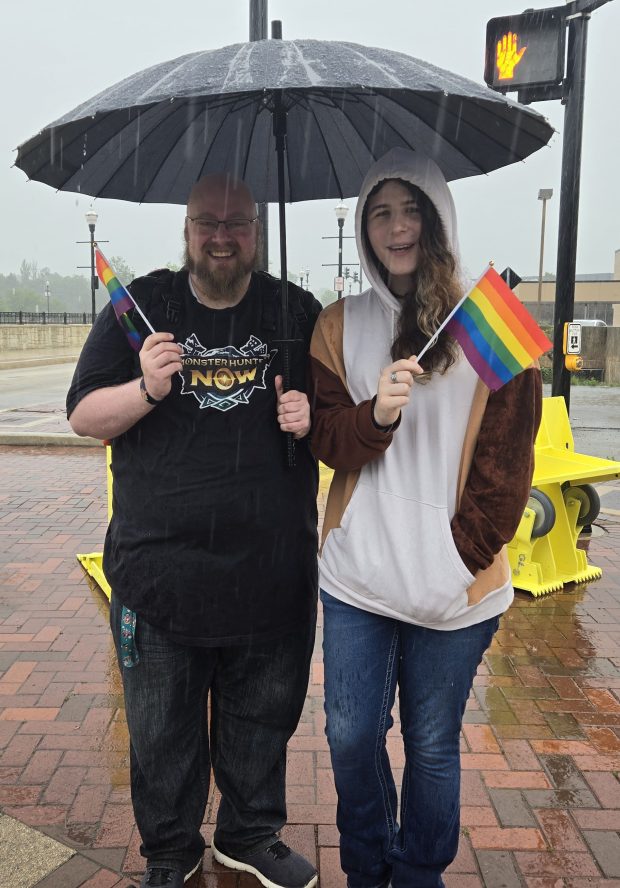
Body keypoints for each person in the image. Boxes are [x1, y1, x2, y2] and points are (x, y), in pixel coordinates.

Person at [67, 174, 322, 888]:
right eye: (207, 221)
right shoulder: (142, 309)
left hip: (271, 576)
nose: (221, 236)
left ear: (256, 232)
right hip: (160, 580)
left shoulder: (294, 311)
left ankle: (249, 833)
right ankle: (170, 852)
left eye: (237, 223)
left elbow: (339, 425)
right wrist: (146, 386)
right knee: (161, 736)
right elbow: (84, 415)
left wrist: (311, 417)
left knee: (263, 721)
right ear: (186, 229)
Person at [309, 148, 542, 888]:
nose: (397, 227)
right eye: (381, 212)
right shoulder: (339, 324)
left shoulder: (492, 322)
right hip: (358, 578)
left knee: (434, 745)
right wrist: (374, 414)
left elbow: (506, 472)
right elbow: (324, 435)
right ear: (363, 226)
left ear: (438, 218)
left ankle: (417, 875)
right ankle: (367, 866)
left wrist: (453, 562)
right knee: (350, 737)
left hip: (457, 588)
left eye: (412, 210)